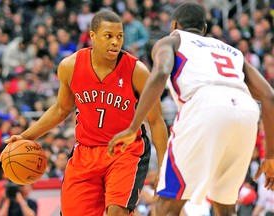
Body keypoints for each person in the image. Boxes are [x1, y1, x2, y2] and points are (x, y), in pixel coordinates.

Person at [108, 1, 274, 215]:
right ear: (203, 29)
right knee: (226, 208)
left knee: (167, 206)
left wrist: (134, 126)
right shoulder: (231, 51)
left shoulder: (172, 40)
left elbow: (160, 72)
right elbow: (269, 96)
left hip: (204, 104)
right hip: (247, 110)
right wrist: (270, 156)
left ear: (174, 24)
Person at [0, 10, 168, 216]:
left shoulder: (138, 71)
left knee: (117, 211)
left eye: (120, 36)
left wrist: (163, 167)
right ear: (93, 36)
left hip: (125, 152)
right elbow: (61, 109)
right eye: (108, 36)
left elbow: (157, 121)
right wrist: (26, 136)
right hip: (85, 152)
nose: (115, 42)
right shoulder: (70, 66)